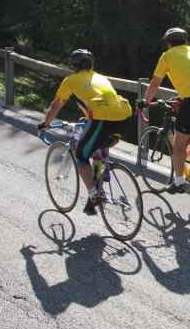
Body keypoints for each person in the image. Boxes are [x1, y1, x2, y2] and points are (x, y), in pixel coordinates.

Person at [39, 49, 133, 215]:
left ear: (73, 65)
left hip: (102, 119)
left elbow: (57, 104)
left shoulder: (71, 80)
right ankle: (96, 194)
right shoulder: (100, 77)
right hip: (123, 118)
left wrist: (46, 123)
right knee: (98, 150)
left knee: (82, 157)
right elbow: (102, 100)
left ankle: (94, 195)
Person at [141, 27, 190, 194]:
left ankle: (178, 182)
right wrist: (182, 97)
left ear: (168, 43)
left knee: (179, 144)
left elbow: (155, 83)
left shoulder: (167, 56)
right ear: (184, 41)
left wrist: (145, 102)